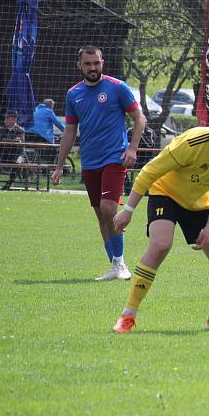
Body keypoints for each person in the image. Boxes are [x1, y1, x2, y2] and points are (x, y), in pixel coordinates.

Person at [111, 108, 209, 333]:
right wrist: (128, 210)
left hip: (200, 202)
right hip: (166, 193)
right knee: (160, 245)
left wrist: (208, 227)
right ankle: (128, 316)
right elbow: (149, 172)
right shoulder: (192, 142)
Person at [51, 45, 147, 281]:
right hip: (90, 162)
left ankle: (121, 263)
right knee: (100, 214)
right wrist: (60, 165)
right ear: (80, 66)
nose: (92, 67)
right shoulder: (74, 94)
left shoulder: (117, 88)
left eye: (96, 63)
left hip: (115, 157)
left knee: (108, 208)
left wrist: (133, 148)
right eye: (87, 64)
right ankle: (114, 265)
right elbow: (70, 131)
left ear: (102, 63)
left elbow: (139, 118)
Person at [0, 110, 25, 190]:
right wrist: (11, 141)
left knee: (19, 164)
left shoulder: (20, 130)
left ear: (14, 119)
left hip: (16, 154)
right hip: (2, 153)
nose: (5, 120)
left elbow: (18, 142)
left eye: (7, 118)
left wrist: (6, 141)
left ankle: (8, 185)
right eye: (5, 118)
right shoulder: (1, 130)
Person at [25, 99, 65, 163]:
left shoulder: (35, 109)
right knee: (52, 148)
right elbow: (58, 123)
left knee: (43, 147)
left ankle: (40, 163)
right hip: (39, 136)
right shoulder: (49, 111)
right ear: (51, 106)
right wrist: (67, 131)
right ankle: (48, 167)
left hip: (27, 135)